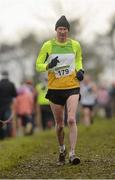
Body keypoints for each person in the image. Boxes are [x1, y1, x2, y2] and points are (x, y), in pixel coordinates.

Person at [36, 15, 84, 165]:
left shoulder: (75, 45)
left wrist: (80, 70)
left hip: (72, 86)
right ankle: (62, 149)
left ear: (68, 31)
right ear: (56, 30)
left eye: (65, 29)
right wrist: (48, 65)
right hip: (55, 89)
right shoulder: (48, 46)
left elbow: (78, 59)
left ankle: (72, 153)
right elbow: (38, 65)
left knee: (71, 119)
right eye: (60, 29)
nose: (62, 31)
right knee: (60, 125)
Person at [0, 70, 17, 139]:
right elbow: (15, 95)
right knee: (8, 121)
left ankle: (1, 136)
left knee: (1, 121)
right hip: (8, 105)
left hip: (0, 106)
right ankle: (9, 135)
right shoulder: (11, 84)